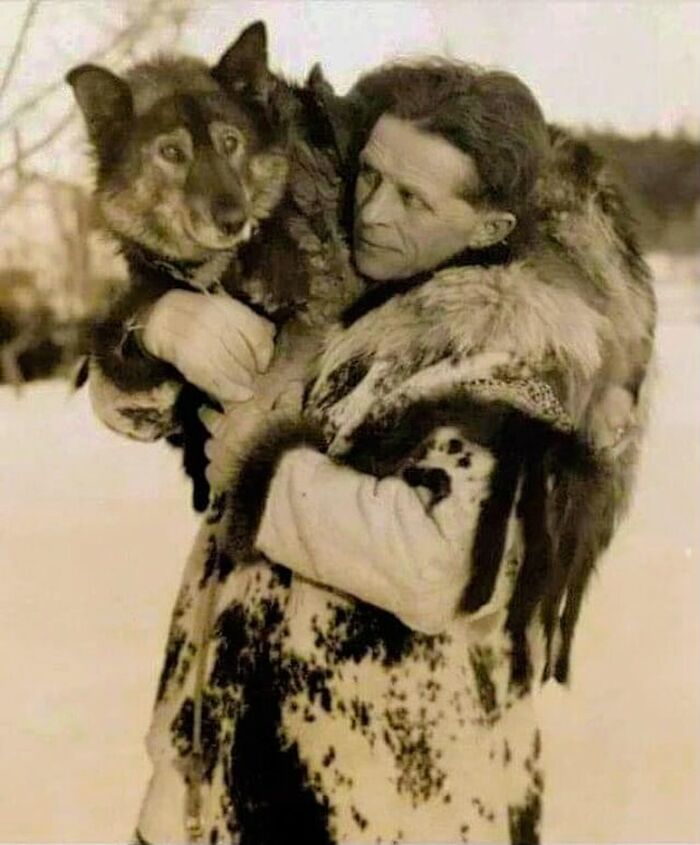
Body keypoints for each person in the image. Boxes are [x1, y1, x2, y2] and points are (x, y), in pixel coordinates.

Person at [89, 60, 654, 844]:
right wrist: (155, 326)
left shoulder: (518, 354)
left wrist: (264, 466)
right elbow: (145, 410)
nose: (372, 213)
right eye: (370, 177)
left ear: (487, 229)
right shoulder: (344, 285)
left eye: (413, 198)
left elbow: (437, 566)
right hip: (224, 764)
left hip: (387, 793)